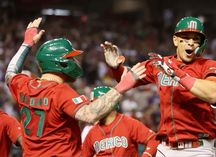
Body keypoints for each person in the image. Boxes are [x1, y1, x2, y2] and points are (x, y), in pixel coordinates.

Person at [5, 17, 146, 157]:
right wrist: (121, 86)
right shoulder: (60, 92)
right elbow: (90, 114)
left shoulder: (24, 85)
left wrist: (26, 44)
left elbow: (10, 73)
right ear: (59, 63)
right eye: (70, 58)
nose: (74, 61)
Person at [101, 16, 216, 157]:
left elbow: (213, 94)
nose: (191, 43)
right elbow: (128, 78)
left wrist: (176, 73)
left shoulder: (210, 66)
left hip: (198, 149)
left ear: (202, 44)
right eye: (185, 37)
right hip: (165, 148)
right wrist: (116, 68)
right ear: (175, 40)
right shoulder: (160, 64)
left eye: (196, 39)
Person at [82, 86, 159, 157]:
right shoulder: (92, 132)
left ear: (109, 103)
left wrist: (146, 155)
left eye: (96, 104)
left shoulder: (128, 123)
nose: (93, 108)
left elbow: (153, 139)